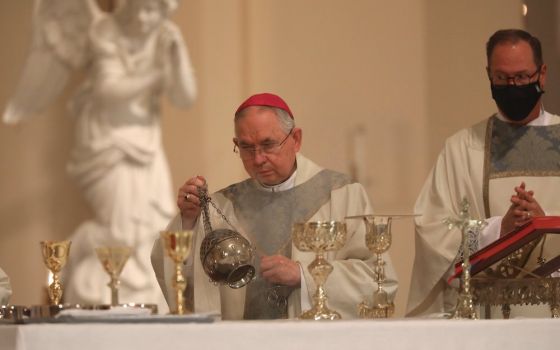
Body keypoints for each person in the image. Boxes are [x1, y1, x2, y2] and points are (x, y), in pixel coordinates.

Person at [3, 0, 196, 312]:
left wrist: (178, 54)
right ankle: (68, 262)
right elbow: (109, 89)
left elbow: (185, 97)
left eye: (156, 11)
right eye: (143, 9)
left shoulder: (165, 33)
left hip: (146, 143)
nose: (147, 18)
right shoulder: (105, 30)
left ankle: (146, 294)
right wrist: (156, 75)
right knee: (117, 229)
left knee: (153, 225)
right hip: (107, 142)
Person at [151, 93, 398, 319]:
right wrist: (189, 220)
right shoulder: (223, 205)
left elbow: (377, 279)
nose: (258, 159)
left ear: (296, 139)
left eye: (268, 145)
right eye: (246, 147)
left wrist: (304, 276)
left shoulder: (341, 195)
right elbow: (186, 281)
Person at [407, 29, 560, 318]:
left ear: (542, 74)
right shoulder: (462, 148)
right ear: (488, 75)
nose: (512, 86)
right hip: (484, 313)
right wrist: (498, 231)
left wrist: (543, 225)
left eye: (522, 77)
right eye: (501, 78)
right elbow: (432, 231)